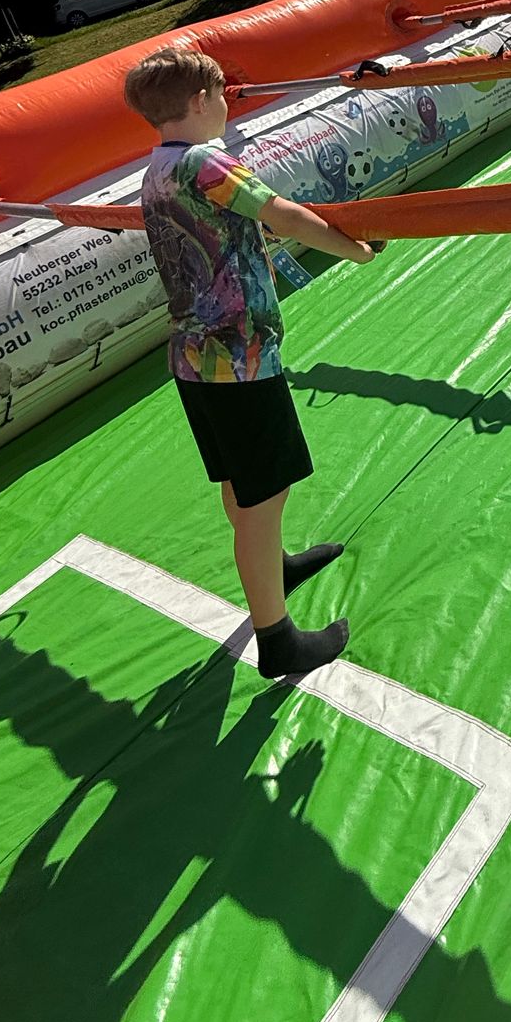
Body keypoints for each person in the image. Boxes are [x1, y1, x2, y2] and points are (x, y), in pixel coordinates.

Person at [123, 44, 386, 680]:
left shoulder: (156, 169)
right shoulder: (206, 161)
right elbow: (283, 215)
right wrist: (355, 249)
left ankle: (276, 567)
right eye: (221, 96)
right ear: (199, 101)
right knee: (264, 494)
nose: (225, 106)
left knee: (241, 485)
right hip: (237, 358)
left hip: (193, 356)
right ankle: (278, 639)